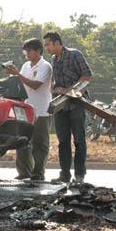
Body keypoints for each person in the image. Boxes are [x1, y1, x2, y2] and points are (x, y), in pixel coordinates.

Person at [43, 31, 92, 184]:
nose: (46, 48)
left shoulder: (75, 54)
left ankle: (79, 175)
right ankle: (64, 174)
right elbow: (56, 84)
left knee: (79, 141)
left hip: (76, 103)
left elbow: (87, 76)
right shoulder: (53, 60)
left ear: (57, 43)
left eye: (48, 44)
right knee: (63, 141)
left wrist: (70, 91)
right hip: (61, 106)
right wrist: (56, 89)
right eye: (45, 45)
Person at [5, 38, 53, 181]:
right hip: (26, 109)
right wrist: (14, 75)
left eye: (29, 50)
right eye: (25, 51)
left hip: (42, 109)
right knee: (22, 141)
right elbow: (21, 84)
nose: (27, 53)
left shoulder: (46, 66)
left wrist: (18, 75)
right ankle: (24, 172)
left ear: (38, 51)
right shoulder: (26, 65)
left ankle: (38, 173)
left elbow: (35, 85)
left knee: (40, 143)